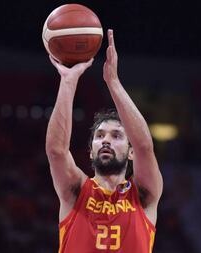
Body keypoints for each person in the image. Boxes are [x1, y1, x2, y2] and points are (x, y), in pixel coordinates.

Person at [46, 29, 163, 253]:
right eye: (99, 136)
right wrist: (68, 82)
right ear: (91, 151)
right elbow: (56, 151)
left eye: (117, 135)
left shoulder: (143, 195)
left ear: (131, 152)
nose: (106, 141)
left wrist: (113, 82)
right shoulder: (77, 191)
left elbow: (145, 147)